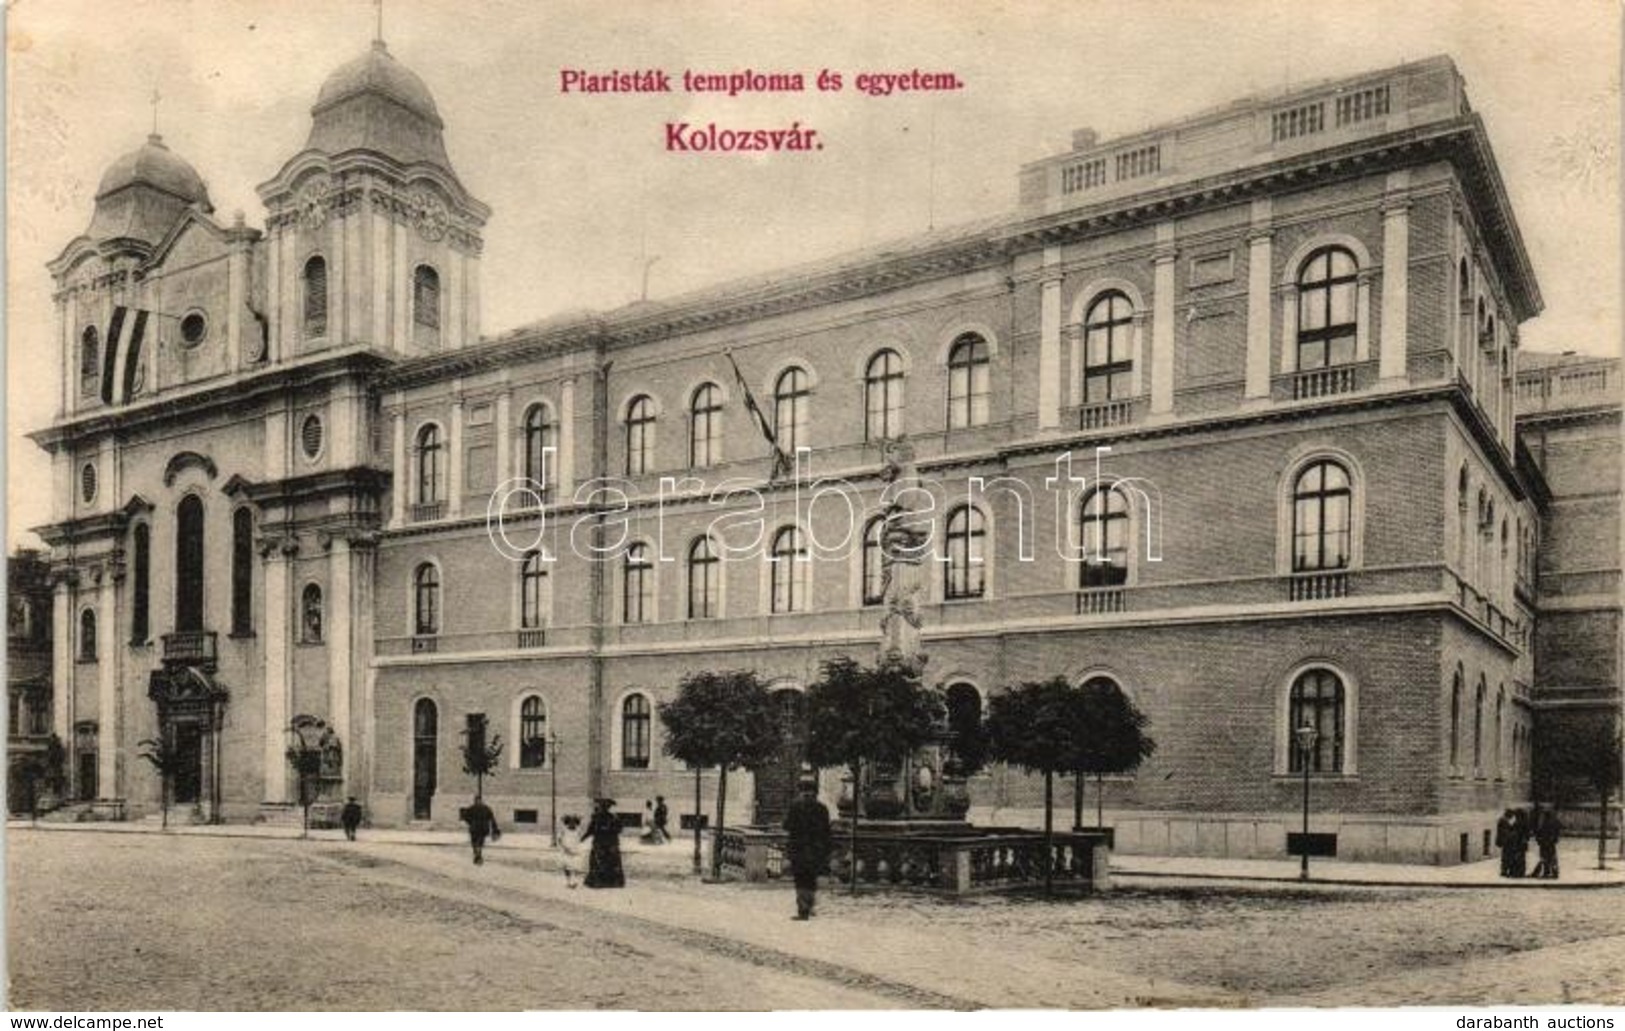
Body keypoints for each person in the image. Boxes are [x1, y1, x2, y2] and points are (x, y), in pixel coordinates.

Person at [782, 775, 832, 920]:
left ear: (800, 790)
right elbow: (826, 831)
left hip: (799, 848)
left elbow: (787, 825)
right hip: (816, 850)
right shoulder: (822, 808)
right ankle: (809, 906)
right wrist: (826, 850)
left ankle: (803, 910)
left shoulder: (795, 806)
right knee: (811, 878)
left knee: (800, 879)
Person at [581, 798, 626, 888]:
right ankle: (612, 882)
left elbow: (591, 830)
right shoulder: (613, 817)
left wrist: (583, 838)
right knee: (611, 862)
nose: (602, 808)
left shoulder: (598, 817)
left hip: (601, 843)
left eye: (603, 807)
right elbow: (620, 829)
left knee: (599, 862)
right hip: (610, 843)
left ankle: (599, 881)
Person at [461, 795, 501, 865]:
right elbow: (492, 819)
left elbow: (465, 817)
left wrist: (470, 822)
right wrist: (495, 828)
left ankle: (477, 853)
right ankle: (478, 853)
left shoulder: (472, 808)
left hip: (475, 828)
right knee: (480, 841)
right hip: (483, 828)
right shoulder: (486, 808)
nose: (477, 802)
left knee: (475, 842)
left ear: (476, 800)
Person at [1531, 804, 1562, 880]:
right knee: (1552, 858)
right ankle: (1554, 872)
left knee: (1545, 858)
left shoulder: (1543, 824)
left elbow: (1539, 833)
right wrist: (1554, 840)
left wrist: (1539, 840)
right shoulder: (1554, 822)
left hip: (1545, 844)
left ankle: (1547, 872)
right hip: (1550, 843)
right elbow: (1557, 832)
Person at [558, 814, 584, 888]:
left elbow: (579, 839)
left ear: (576, 823)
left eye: (573, 822)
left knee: (576, 866)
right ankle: (568, 881)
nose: (572, 824)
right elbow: (559, 840)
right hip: (566, 850)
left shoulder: (578, 830)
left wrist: (578, 848)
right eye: (570, 822)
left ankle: (575, 881)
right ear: (567, 822)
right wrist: (564, 847)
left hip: (576, 850)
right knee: (567, 867)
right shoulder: (564, 830)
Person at [1494, 809, 1518, 878]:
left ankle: (1504, 871)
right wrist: (1513, 834)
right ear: (1509, 814)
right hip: (1506, 842)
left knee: (1506, 857)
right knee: (1506, 857)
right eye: (1511, 815)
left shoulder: (1503, 820)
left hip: (1505, 842)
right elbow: (1505, 833)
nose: (1512, 817)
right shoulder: (1503, 821)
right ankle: (1504, 871)